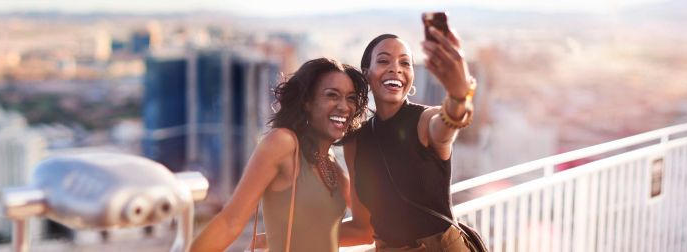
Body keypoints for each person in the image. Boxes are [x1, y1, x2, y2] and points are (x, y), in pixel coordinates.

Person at [190, 57, 369, 252]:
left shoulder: (330, 163)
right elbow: (230, 222)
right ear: (306, 102)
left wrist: (354, 154)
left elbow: (365, 231)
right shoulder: (284, 142)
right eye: (332, 95)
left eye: (350, 98)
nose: (344, 106)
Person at [338, 27, 476, 252]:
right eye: (384, 61)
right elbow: (362, 229)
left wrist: (460, 95)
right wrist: (284, 239)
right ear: (366, 74)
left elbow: (449, 122)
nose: (395, 69)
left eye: (405, 63)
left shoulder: (425, 120)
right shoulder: (356, 140)